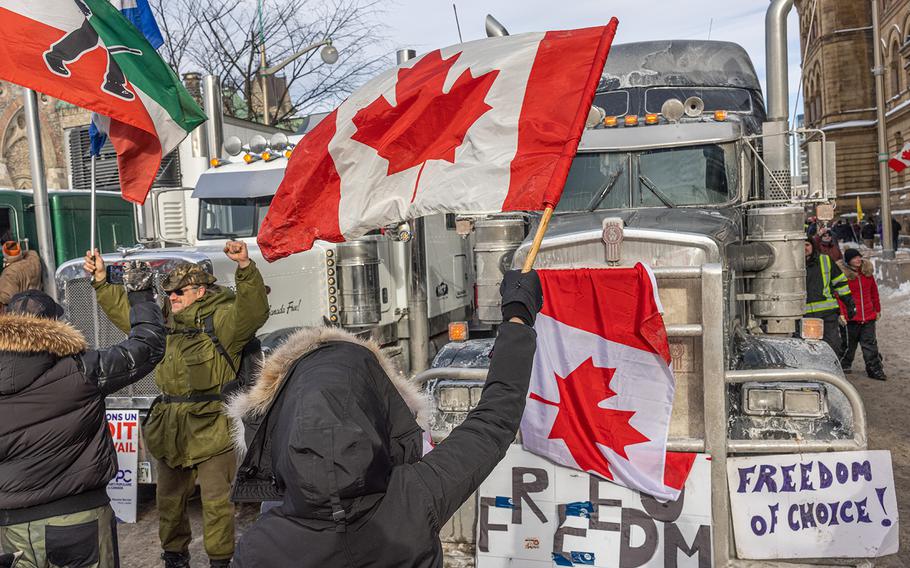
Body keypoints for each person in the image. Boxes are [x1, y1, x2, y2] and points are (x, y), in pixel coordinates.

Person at [227, 270, 542, 567]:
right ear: (378, 413)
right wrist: (517, 317)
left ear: (282, 426)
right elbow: (494, 421)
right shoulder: (416, 496)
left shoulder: (258, 547)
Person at [86, 242, 269, 568]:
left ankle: (220, 560)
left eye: (179, 292)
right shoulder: (163, 324)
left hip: (213, 425)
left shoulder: (223, 320)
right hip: (171, 428)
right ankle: (174, 557)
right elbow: (127, 315)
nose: (172, 297)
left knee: (216, 503)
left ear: (200, 291)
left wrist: (245, 267)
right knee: (168, 502)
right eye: (168, 293)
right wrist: (102, 280)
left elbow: (253, 310)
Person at [0, 263, 166, 568]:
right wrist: (141, 296)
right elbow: (146, 348)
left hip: (10, 528)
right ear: (54, 327)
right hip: (79, 520)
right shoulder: (81, 370)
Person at [839, 249, 886, 380]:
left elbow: (874, 293)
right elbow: (839, 296)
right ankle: (843, 365)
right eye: (854, 258)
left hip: (868, 316)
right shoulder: (843, 276)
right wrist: (841, 313)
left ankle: (875, 369)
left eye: (859, 257)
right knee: (848, 345)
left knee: (870, 345)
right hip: (851, 318)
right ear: (848, 261)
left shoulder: (867, 273)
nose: (858, 260)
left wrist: (877, 309)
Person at [805, 237, 855, 357]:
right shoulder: (791, 263)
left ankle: (830, 372)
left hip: (827, 313)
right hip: (803, 315)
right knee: (807, 349)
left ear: (812, 246)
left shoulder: (825, 260)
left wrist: (849, 303)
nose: (804, 248)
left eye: (807, 245)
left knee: (833, 346)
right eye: (800, 245)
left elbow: (840, 282)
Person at [0, 242, 42, 311]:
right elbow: (30, 252)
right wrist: (18, 254)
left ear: (5, 255)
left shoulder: (9, 273)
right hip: (38, 306)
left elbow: (5, 299)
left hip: (23, 312)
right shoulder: (33, 260)